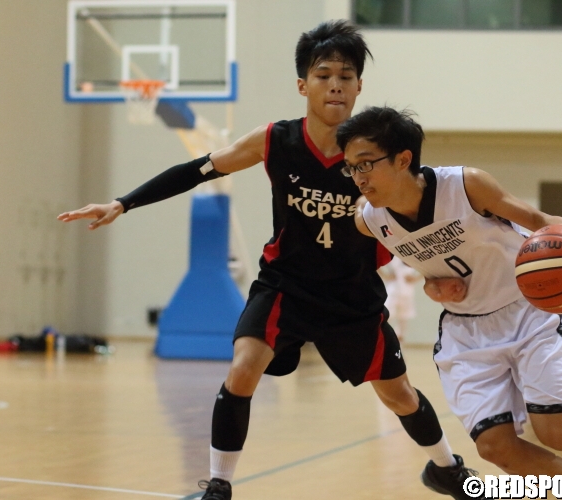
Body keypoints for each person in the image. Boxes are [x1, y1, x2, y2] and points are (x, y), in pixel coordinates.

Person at [60, 21, 479, 500]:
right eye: (324, 75)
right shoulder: (275, 141)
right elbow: (197, 170)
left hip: (352, 294)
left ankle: (447, 467)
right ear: (303, 85)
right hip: (285, 284)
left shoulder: (374, 155)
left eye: (346, 75)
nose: (336, 84)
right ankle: (218, 485)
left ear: (360, 86)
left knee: (398, 394)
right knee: (242, 369)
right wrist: (123, 202)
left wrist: (442, 271)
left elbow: (421, 217)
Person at [336, 105, 562, 479]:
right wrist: (434, 286)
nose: (358, 177)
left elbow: (542, 222)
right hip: (467, 330)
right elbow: (416, 254)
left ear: (403, 159)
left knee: (560, 434)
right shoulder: (371, 220)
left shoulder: (466, 186)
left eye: (366, 164)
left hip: (525, 311)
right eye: (351, 167)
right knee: (495, 448)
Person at [379, 257, 421, 341]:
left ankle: (399, 346)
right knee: (385, 317)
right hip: (393, 291)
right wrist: (385, 276)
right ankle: (382, 339)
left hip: (408, 292)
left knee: (403, 320)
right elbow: (375, 263)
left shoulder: (413, 257)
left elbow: (427, 269)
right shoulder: (393, 256)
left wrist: (416, 278)